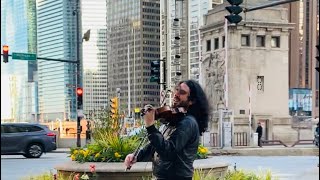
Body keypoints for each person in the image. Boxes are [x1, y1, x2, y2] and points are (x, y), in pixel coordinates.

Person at [124, 80, 210, 180]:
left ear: (192, 101)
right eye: (177, 90)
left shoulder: (188, 123)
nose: (176, 94)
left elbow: (168, 151)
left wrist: (151, 127)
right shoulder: (173, 119)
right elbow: (156, 145)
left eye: (182, 92)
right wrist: (137, 156)